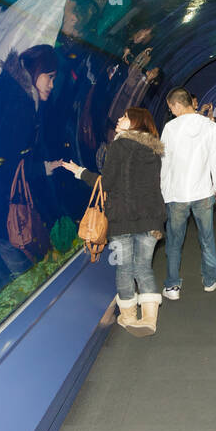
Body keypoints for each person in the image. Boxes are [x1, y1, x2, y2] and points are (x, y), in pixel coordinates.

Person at [53, 108, 166, 336]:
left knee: (124, 269)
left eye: (124, 117)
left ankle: (127, 316)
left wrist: (80, 172)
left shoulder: (119, 146)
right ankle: (149, 319)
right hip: (151, 217)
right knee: (143, 267)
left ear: (135, 122)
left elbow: (107, 184)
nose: (118, 119)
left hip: (122, 218)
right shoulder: (153, 150)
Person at [0, 44, 59, 286]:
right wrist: (41, 169)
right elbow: (5, 163)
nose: (52, 85)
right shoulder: (22, 105)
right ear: (37, 70)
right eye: (50, 77)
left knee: (2, 284)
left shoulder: (5, 89)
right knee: (23, 281)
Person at [160, 88, 216, 299]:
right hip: (204, 192)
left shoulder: (170, 128)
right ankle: (210, 280)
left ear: (177, 105)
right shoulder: (209, 126)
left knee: (174, 242)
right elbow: (215, 157)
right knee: (206, 238)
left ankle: (172, 286)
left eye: (171, 108)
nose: (171, 112)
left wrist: (163, 192)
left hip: (177, 194)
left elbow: (165, 163)